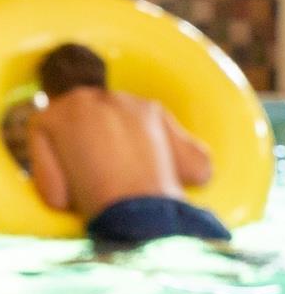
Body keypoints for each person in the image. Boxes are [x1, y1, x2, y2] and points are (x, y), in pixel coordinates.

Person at [24, 42, 230, 248]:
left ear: (47, 87)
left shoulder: (46, 119)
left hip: (125, 220)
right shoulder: (147, 106)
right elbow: (200, 172)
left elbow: (56, 198)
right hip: (188, 216)